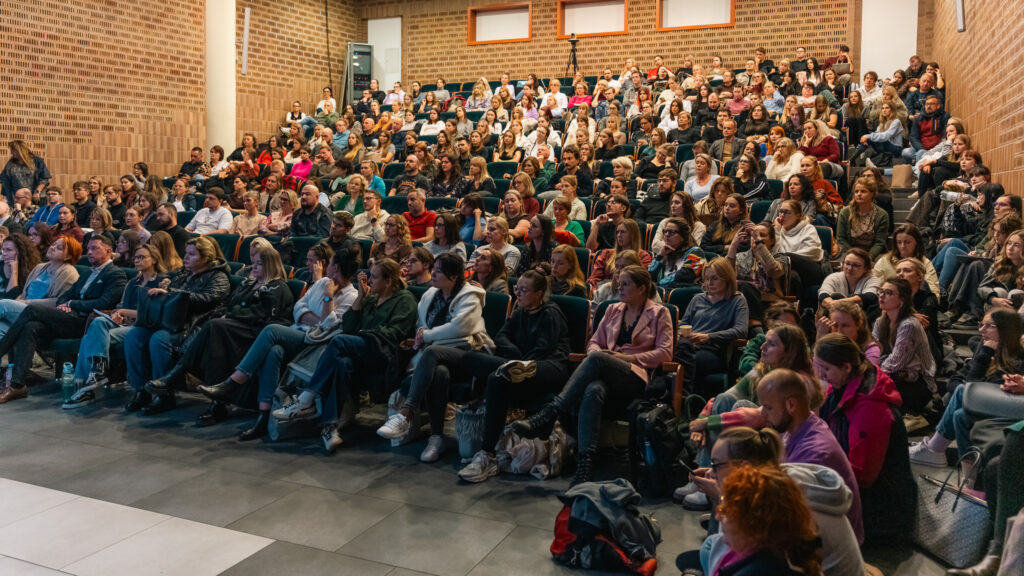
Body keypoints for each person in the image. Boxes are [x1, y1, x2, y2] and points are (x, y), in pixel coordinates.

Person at [511, 266, 672, 484]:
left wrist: (624, 358)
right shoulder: (613, 309)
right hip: (605, 373)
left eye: (625, 284)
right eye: (619, 283)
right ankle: (585, 464)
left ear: (642, 288)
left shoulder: (659, 313)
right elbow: (594, 343)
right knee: (593, 389)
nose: (619, 288)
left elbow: (665, 352)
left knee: (596, 360)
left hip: (636, 376)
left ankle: (549, 413)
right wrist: (598, 354)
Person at [272, 258, 417, 453]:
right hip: (362, 351)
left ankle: (306, 398)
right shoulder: (371, 298)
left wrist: (364, 334)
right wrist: (359, 298)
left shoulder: (404, 300)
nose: (370, 281)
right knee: (340, 363)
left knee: (339, 341)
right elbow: (349, 326)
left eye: (374, 277)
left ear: (389, 281)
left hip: (385, 355)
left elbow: (394, 334)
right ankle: (329, 427)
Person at [677, 426, 861, 576]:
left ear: (743, 467)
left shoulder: (779, 505)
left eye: (716, 465)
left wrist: (722, 497)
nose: (711, 472)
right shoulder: (774, 485)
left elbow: (736, 540)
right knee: (712, 543)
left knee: (715, 545)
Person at [144, 245, 294, 425]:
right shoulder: (250, 283)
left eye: (259, 264)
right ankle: (215, 403)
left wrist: (234, 312)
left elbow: (262, 313)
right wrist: (235, 311)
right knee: (216, 342)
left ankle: (177, 375)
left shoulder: (277, 286)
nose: (253, 267)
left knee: (215, 327)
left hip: (259, 332)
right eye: (253, 263)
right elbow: (231, 304)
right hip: (235, 330)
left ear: (271, 265)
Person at [456, 270, 574, 482]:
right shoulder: (520, 312)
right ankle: (511, 369)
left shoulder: (550, 313)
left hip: (548, 367)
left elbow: (543, 348)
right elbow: (502, 335)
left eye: (524, 290)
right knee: (470, 358)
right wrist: (514, 356)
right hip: (517, 363)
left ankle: (487, 454)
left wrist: (523, 362)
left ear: (539, 293)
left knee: (498, 376)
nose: (518, 293)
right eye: (516, 289)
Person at [376, 254, 494, 460]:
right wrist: (423, 333)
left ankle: (406, 413)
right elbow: (421, 323)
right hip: (436, 358)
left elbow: (461, 327)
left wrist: (427, 336)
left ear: (454, 276)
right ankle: (436, 438)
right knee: (439, 373)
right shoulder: (431, 294)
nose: (434, 274)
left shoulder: (470, 295)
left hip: (467, 355)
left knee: (432, 352)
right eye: (435, 269)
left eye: (439, 271)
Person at [0, 236, 127, 404]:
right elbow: (64, 297)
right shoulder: (88, 272)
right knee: (30, 326)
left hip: (86, 322)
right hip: (69, 317)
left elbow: (104, 303)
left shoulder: (116, 274)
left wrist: (72, 303)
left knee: (31, 309)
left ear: (108, 252)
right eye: (88, 248)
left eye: (95, 248)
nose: (89, 252)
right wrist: (68, 303)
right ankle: (17, 385)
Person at [813, 332, 915, 541]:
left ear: (847, 367)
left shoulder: (870, 407)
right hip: (860, 490)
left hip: (882, 510)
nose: (820, 375)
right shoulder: (846, 384)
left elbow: (863, 477)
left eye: (825, 369)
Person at [123, 236, 231, 414]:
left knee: (159, 340)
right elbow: (171, 294)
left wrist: (174, 293)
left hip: (193, 325)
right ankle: (141, 390)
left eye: (192, 254)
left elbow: (209, 299)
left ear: (206, 258)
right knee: (135, 336)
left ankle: (164, 395)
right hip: (171, 320)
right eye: (186, 253)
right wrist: (166, 292)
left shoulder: (218, 276)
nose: (186, 257)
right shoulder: (184, 274)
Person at [910, 307, 1024, 469]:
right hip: (985, 404)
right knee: (959, 415)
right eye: (981, 324)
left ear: (1006, 329)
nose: (981, 330)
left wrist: (984, 356)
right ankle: (971, 480)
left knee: (964, 391)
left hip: (1010, 407)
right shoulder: (986, 347)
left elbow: (972, 388)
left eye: (989, 326)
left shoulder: (1017, 358)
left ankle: (934, 449)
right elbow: (956, 379)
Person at [64, 243, 168, 408]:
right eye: (136, 257)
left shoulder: (163, 282)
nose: (137, 261)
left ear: (154, 259)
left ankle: (85, 387)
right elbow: (120, 306)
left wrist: (125, 312)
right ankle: (96, 374)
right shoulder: (133, 282)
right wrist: (117, 313)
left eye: (142, 257)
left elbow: (156, 313)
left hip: (144, 327)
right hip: (124, 326)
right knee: (98, 324)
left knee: (89, 338)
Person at [677, 257, 750, 397]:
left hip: (713, 350)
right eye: (707, 278)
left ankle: (683, 399)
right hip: (688, 345)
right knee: (673, 354)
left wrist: (708, 337)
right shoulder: (698, 298)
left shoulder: (737, 300)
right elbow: (683, 323)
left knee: (689, 358)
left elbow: (741, 330)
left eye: (715, 278)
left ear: (726, 279)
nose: (709, 283)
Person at [874, 277, 936, 414]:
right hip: (895, 375)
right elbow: (873, 352)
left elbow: (895, 362)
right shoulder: (880, 321)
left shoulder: (909, 324)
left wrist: (870, 373)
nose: (881, 296)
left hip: (917, 384)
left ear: (902, 300)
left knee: (870, 388)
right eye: (880, 291)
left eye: (888, 293)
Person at [0, 236, 81, 339]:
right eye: (53, 244)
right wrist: (17, 301)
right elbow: (25, 293)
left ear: (68, 256)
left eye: (59, 248)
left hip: (40, 313)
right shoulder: (40, 267)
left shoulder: (68, 272)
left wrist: (26, 302)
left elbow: (59, 301)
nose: (52, 247)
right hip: (23, 307)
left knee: (3, 305)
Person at [835, 178, 888, 260]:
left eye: (863, 191)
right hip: (849, 252)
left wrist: (868, 257)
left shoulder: (882, 215)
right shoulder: (845, 212)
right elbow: (841, 239)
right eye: (856, 192)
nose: (859, 194)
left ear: (872, 194)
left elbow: (879, 242)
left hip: (873, 253)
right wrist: (853, 255)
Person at [587, 219, 650, 288]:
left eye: (623, 232)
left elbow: (640, 281)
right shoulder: (606, 253)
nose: (619, 235)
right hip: (604, 292)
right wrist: (596, 291)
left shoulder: (643, 257)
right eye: (617, 232)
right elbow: (594, 279)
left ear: (633, 235)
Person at [819, 248, 881, 318]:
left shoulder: (873, 279)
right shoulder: (833, 277)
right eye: (847, 263)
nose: (850, 268)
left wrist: (837, 303)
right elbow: (823, 297)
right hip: (835, 318)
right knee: (836, 297)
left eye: (856, 265)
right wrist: (834, 303)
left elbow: (870, 297)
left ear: (866, 268)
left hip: (862, 319)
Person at [649, 217, 706, 289]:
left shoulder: (697, 252)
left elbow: (685, 276)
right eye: (665, 231)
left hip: (681, 293)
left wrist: (659, 284)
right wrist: (660, 256)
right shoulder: (665, 252)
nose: (666, 235)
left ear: (683, 237)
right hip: (662, 291)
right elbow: (649, 276)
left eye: (671, 232)